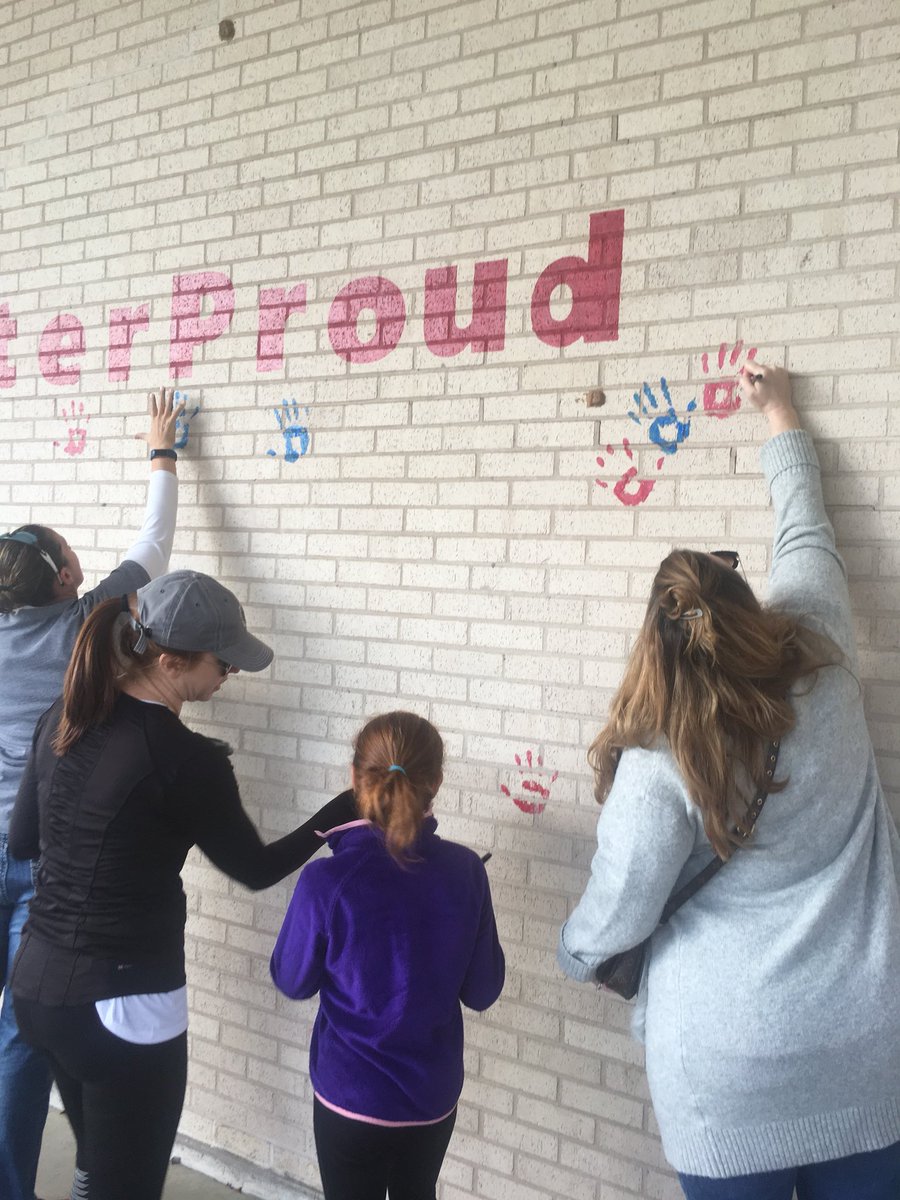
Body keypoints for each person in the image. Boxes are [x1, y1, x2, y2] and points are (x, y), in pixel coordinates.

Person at [557, 362, 900, 1200]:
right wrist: (779, 409)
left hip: (726, 1071)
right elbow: (806, 531)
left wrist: (576, 955)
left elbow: (617, 915)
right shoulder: (823, 657)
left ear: (654, 649)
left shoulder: (660, 759)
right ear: (752, 607)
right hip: (868, 1044)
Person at [8, 570, 357, 1200]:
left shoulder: (63, 715)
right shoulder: (187, 760)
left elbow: (24, 843)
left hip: (35, 988)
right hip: (124, 1008)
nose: (231, 676)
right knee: (129, 1183)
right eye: (223, 664)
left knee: (98, 1167)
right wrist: (343, 809)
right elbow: (254, 869)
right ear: (171, 661)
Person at [0, 388, 184, 1200]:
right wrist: (161, 453)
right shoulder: (88, 628)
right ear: (69, 575)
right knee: (19, 1032)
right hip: (38, 852)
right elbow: (154, 544)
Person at [271, 711, 506, 1200]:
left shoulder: (325, 882)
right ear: (436, 782)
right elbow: (483, 992)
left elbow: (292, 981)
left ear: (354, 779)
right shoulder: (466, 871)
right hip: (431, 1099)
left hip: (349, 1097)